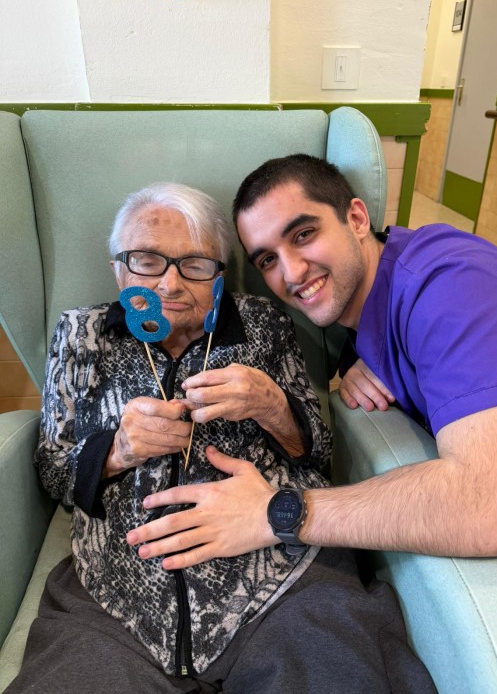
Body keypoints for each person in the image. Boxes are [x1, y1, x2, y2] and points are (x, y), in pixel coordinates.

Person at [8, 181, 435, 693]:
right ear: (119, 269)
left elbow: (318, 452)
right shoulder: (82, 333)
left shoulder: (264, 324)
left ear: (220, 273)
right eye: (147, 261)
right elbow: (54, 471)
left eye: (194, 264)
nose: (169, 285)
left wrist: (274, 406)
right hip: (116, 598)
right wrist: (116, 451)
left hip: (280, 581)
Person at [126, 154, 497, 569]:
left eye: (303, 234)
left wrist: (277, 513)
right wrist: (362, 360)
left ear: (356, 219)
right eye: (268, 260)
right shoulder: (371, 310)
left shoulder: (452, 286)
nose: (292, 273)